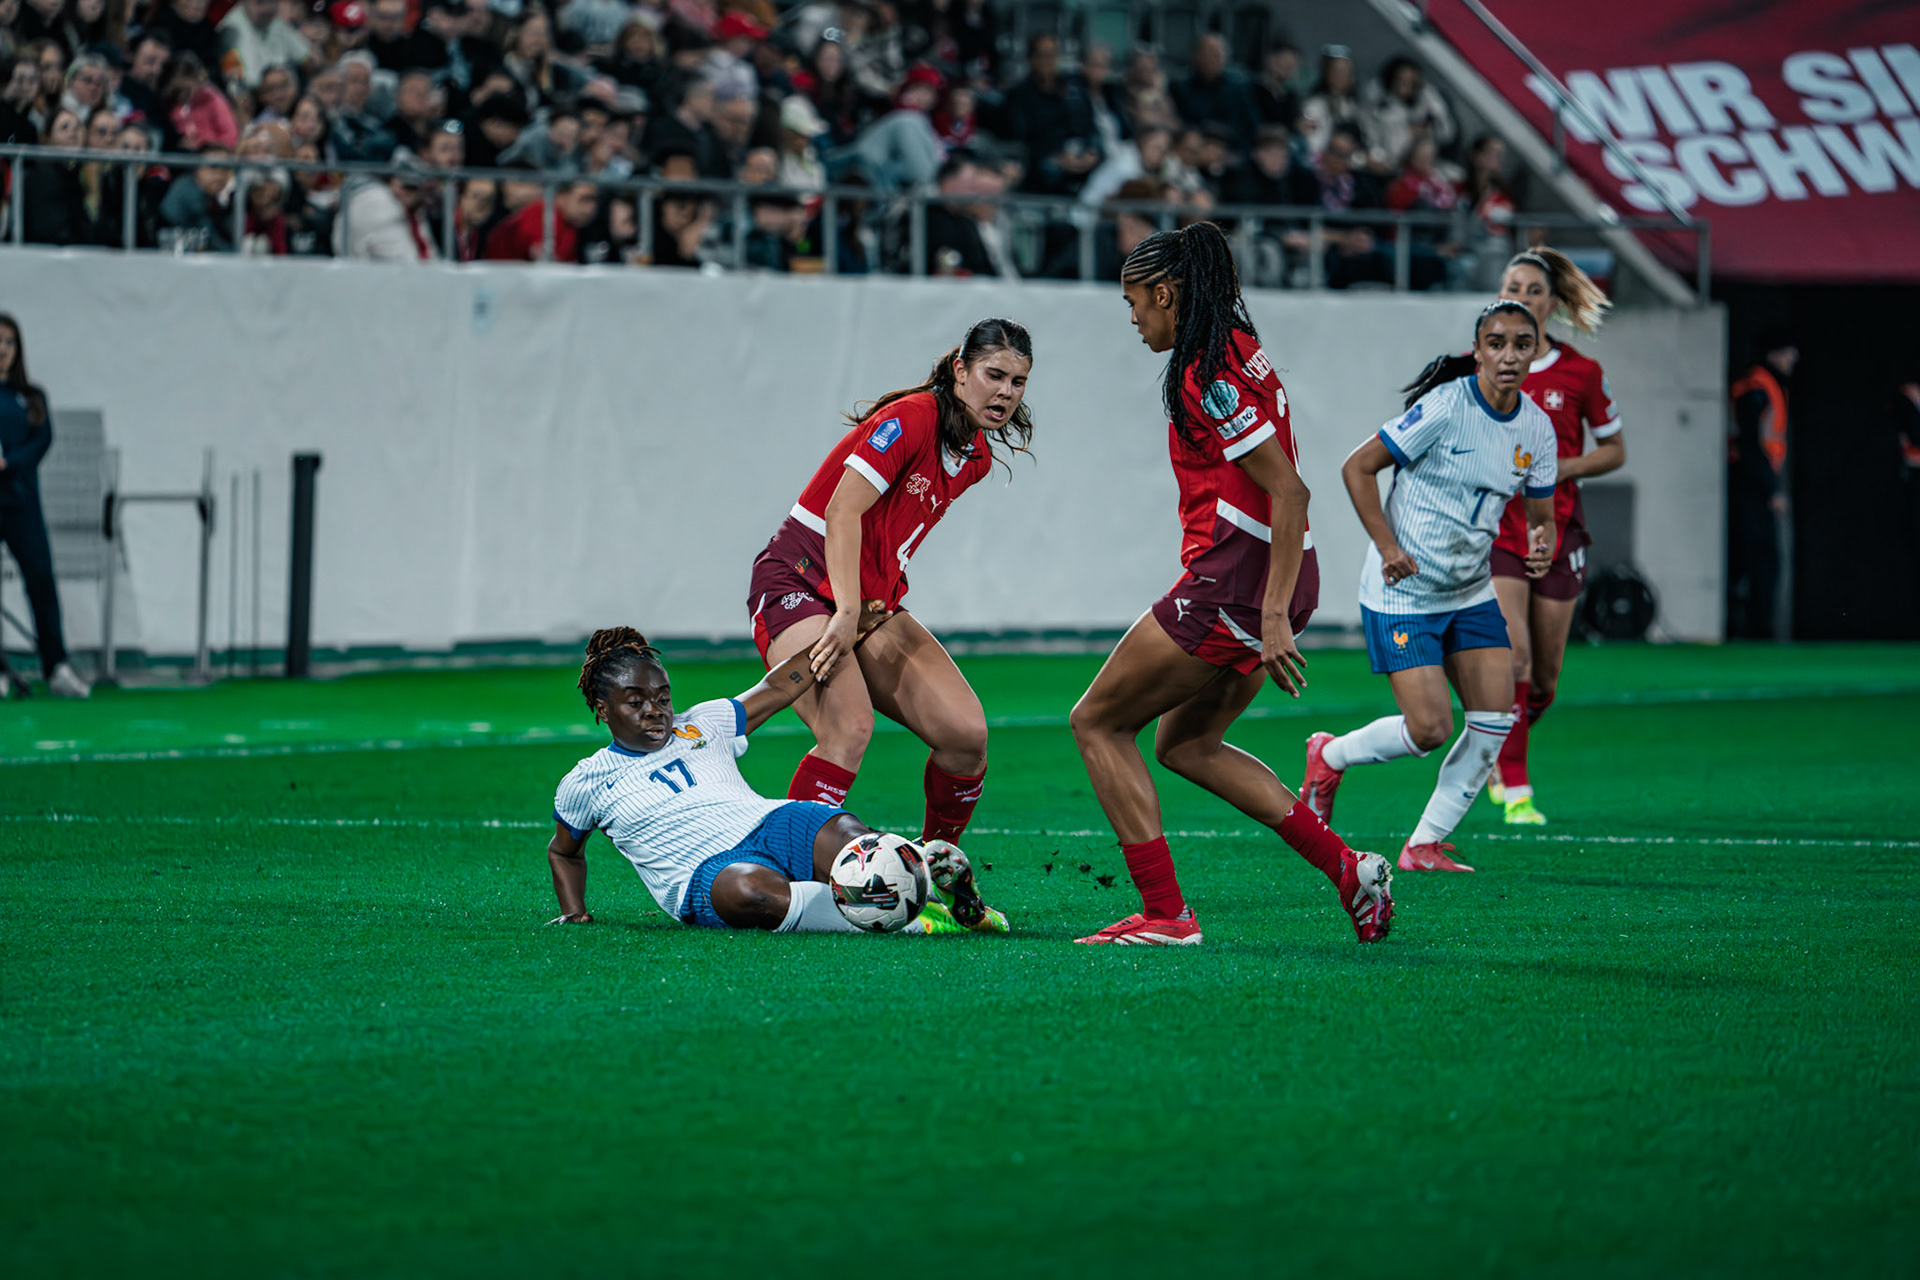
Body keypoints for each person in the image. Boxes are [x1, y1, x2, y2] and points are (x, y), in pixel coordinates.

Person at [1067, 222, 1394, 947]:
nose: (1132, 318)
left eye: (1134, 302)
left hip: (1239, 580)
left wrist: (1271, 616)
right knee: (1186, 743)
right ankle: (1348, 869)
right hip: (1279, 570)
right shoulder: (1240, 350)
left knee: (1097, 722)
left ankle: (1166, 915)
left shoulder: (1203, 372)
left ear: (1165, 293)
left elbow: (1291, 491)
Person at [745, 319, 1033, 896]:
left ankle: (933, 877)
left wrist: (867, 604)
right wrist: (847, 612)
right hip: (798, 580)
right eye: (994, 375)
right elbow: (842, 512)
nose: (1005, 392)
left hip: (868, 600)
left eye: (1019, 382)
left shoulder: (973, 455)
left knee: (965, 734)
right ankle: (781, 879)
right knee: (848, 728)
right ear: (960, 371)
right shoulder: (912, 417)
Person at [1302, 301, 1557, 873]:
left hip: (1469, 591)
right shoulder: (1445, 407)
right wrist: (1389, 547)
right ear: (1479, 350)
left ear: (1536, 350)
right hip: (1403, 593)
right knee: (1430, 729)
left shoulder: (1538, 430)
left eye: (1522, 343)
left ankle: (1422, 845)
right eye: (1497, 343)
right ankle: (1330, 754)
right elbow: (1357, 467)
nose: (1509, 355)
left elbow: (1542, 514)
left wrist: (1542, 541)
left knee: (1495, 718)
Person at [547, 627, 1005, 934]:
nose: (655, 709)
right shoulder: (586, 781)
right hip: (703, 872)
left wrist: (834, 637)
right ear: (602, 709)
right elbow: (564, 851)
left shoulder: (702, 722)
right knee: (752, 893)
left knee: (846, 833)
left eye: (662, 697)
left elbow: (778, 688)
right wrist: (574, 912)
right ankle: (918, 918)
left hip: (771, 822)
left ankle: (947, 893)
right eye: (636, 701)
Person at [1480, 248, 1623, 824]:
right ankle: (1514, 787)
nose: (1520, 295)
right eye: (1511, 286)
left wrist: (1560, 468)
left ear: (1552, 302)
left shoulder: (1581, 373)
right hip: (1498, 530)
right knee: (1513, 655)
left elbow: (1614, 450)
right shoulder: (1481, 369)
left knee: (1543, 679)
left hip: (1560, 530)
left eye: (1532, 289)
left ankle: (1495, 742)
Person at [0, 314, 91, 701]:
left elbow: (43, 440)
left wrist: (9, 462)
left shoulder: (32, 397)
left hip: (23, 506)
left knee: (41, 581)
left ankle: (57, 667)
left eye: (9, 343)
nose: (2, 350)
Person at [1727, 332, 1797, 640]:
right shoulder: (1757, 388)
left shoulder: (1766, 386)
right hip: (1750, 483)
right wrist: (1772, 489)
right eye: (1788, 352)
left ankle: (1754, 625)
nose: (1793, 360)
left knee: (1756, 558)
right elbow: (1751, 444)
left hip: (1754, 480)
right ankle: (1756, 629)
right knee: (1760, 558)